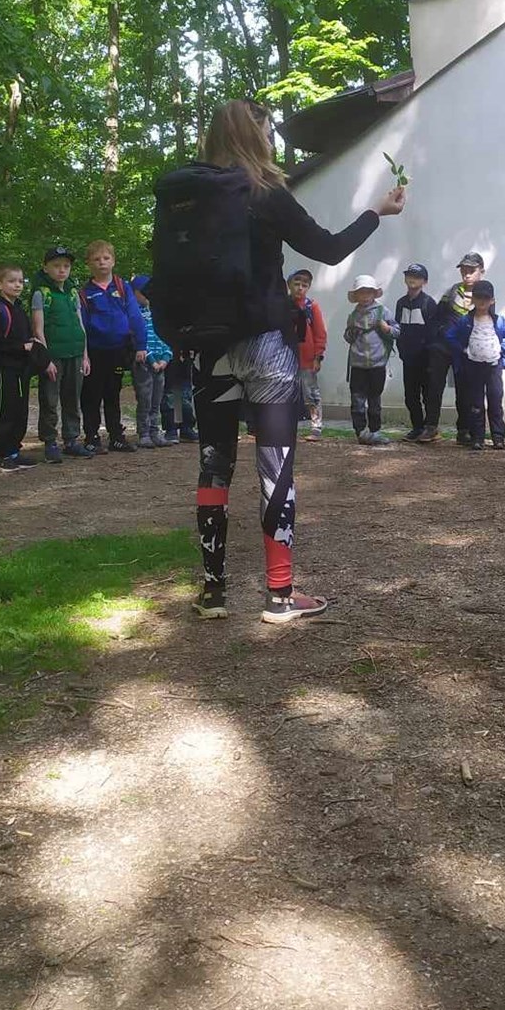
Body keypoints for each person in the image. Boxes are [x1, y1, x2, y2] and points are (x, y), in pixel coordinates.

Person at [180, 98, 404, 623]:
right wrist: (377, 210)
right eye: (267, 131)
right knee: (275, 465)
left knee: (213, 464)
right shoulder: (266, 192)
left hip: (209, 348)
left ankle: (213, 593)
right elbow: (329, 248)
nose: (272, 140)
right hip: (266, 346)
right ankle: (279, 595)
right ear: (255, 135)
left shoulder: (188, 198)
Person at [79, 241, 148, 453]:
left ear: (113, 261)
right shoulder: (84, 292)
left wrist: (141, 345)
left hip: (118, 349)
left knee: (113, 393)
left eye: (106, 258)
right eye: (96, 259)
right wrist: (84, 354)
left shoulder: (122, 287)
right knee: (91, 394)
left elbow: (134, 316)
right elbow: (81, 324)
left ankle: (116, 436)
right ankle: (91, 436)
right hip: (95, 351)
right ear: (89, 263)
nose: (102, 262)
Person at [31, 245, 92, 461]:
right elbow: (38, 329)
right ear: (46, 268)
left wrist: (85, 355)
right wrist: (45, 359)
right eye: (56, 265)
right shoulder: (41, 294)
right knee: (50, 399)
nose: (62, 270)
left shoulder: (73, 292)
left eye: (66, 266)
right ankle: (50, 442)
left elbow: (80, 324)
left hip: (75, 353)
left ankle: (71, 440)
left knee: (72, 398)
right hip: (54, 356)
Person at [0, 262, 41, 471]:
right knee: (5, 410)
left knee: (20, 411)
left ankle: (14, 451)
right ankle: (1, 454)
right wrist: (21, 347)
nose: (17, 285)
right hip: (4, 367)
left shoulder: (19, 310)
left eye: (20, 281)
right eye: (12, 281)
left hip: (22, 368)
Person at [420, 252, 485, 444]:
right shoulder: (452, 291)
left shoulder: (485, 293)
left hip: (466, 350)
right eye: (464, 270)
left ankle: (463, 430)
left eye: (471, 270)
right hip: (443, 347)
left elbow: (488, 321)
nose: (467, 274)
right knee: (434, 387)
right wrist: (439, 335)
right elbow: (437, 316)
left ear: (481, 271)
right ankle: (431, 427)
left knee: (464, 391)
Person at [445, 280, 505, 449]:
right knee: (475, 403)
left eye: (486, 298)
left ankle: (498, 436)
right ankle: (477, 437)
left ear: (492, 300)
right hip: (473, 366)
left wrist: (501, 348)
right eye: (478, 297)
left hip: (494, 366)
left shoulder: (498, 321)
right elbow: (450, 336)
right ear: (473, 299)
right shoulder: (466, 320)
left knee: (495, 400)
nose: (482, 301)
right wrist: (463, 349)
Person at [345, 274, 397, 445]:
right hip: (358, 364)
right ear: (356, 295)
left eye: (368, 292)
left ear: (374, 294)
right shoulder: (353, 316)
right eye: (361, 292)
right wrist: (351, 333)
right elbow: (348, 337)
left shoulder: (383, 312)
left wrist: (387, 328)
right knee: (357, 399)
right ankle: (360, 431)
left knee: (375, 399)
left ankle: (375, 431)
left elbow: (397, 331)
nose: (365, 296)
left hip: (377, 363)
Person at [394, 263, 442, 441]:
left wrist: (431, 356)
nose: (412, 279)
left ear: (425, 281)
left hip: (426, 359)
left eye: (417, 276)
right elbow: (398, 328)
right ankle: (417, 427)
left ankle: (431, 428)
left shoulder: (429, 303)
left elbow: (434, 331)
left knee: (428, 394)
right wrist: (401, 349)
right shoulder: (401, 303)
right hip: (408, 358)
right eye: (409, 275)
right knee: (410, 396)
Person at [130, 274, 174, 448]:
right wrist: (152, 360)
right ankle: (144, 433)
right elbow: (139, 339)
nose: (148, 296)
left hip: (161, 364)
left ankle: (155, 431)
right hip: (144, 363)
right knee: (145, 399)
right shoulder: (135, 314)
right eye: (144, 292)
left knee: (157, 399)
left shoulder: (159, 313)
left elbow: (167, 337)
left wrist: (165, 358)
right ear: (135, 293)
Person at [289, 270, 327, 442]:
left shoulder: (312, 307)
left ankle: (316, 427)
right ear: (289, 285)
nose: (300, 288)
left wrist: (318, 356)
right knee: (286, 393)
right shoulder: (283, 305)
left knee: (311, 394)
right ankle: (287, 426)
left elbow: (320, 333)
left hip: (307, 359)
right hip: (286, 358)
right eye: (296, 284)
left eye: (304, 285)